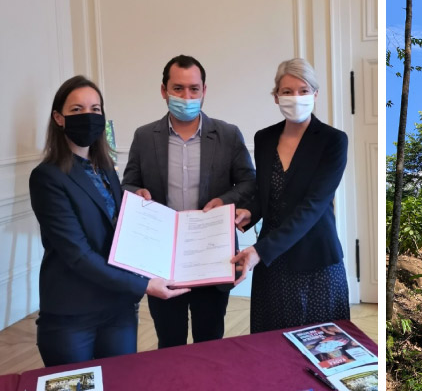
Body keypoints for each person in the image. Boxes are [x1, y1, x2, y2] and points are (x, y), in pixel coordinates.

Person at [29, 76, 190, 366]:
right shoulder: (47, 177)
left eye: (95, 109)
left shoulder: (104, 168)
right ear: (58, 118)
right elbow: (76, 255)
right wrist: (144, 285)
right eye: (76, 110)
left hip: (118, 308)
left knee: (122, 382)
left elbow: (114, 227)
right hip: (73, 313)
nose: (88, 116)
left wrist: (136, 206)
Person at [122, 55, 256, 348]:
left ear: (204, 91)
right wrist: (136, 193)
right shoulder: (144, 137)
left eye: (194, 89)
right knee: (170, 342)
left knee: (211, 341)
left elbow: (249, 182)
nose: (187, 96)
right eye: (178, 88)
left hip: (213, 255)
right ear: (164, 90)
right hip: (161, 259)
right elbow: (128, 183)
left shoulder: (228, 135)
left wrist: (225, 199)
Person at [230, 58, 350, 333]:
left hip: (316, 262)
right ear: (275, 97)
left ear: (315, 95)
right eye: (287, 91)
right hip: (272, 265)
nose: (295, 97)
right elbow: (267, 192)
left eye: (303, 90)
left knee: (325, 350)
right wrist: (250, 212)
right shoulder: (264, 138)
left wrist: (260, 251)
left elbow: (313, 206)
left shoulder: (333, 140)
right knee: (271, 346)